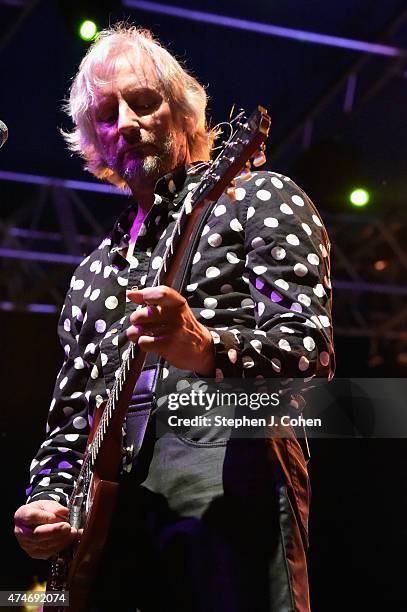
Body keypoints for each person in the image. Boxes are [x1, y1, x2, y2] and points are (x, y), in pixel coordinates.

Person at [14, 24, 335, 611]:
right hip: (112, 517)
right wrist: (49, 499)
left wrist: (207, 347)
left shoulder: (258, 197)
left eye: (144, 102)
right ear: (93, 140)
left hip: (228, 461)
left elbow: (312, 359)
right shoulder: (94, 271)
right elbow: (69, 419)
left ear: (185, 112)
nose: (127, 125)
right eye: (106, 114)